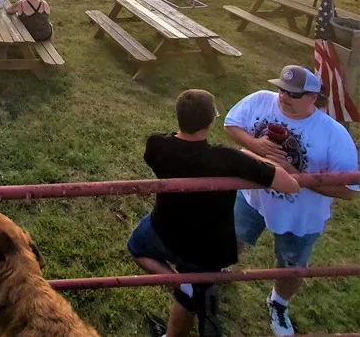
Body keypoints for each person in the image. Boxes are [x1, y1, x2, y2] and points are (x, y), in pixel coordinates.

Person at [127, 90, 299, 337]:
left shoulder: (156, 145)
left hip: (163, 229)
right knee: (189, 297)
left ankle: (181, 285)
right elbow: (290, 184)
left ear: (179, 117)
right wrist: (249, 155)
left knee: (136, 248)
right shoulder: (227, 160)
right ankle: (186, 291)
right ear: (211, 122)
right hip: (206, 248)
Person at [224, 65, 358, 336]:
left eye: (293, 94)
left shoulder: (333, 135)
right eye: (282, 90)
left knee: (291, 265)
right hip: (253, 199)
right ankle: (218, 272)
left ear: (314, 97)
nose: (283, 97)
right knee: (233, 238)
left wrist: (299, 177)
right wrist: (256, 145)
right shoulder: (261, 100)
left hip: (300, 216)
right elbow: (231, 124)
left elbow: (350, 190)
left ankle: (279, 303)